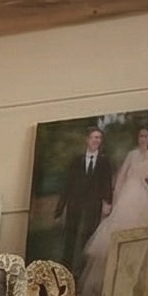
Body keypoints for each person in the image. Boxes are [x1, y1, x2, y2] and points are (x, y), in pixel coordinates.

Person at [77, 121, 148, 296]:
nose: (143, 139)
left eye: (146, 136)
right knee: (115, 238)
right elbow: (121, 178)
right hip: (128, 198)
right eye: (141, 136)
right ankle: (101, 289)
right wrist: (115, 201)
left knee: (141, 241)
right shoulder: (132, 155)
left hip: (145, 200)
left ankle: (133, 289)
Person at [55, 123, 114, 286]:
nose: (97, 141)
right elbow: (67, 185)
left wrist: (107, 202)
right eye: (94, 137)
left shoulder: (104, 162)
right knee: (70, 238)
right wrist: (59, 210)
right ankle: (64, 273)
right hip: (75, 203)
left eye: (99, 138)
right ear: (87, 140)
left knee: (88, 238)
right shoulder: (76, 161)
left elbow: (107, 184)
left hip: (93, 205)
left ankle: (82, 276)